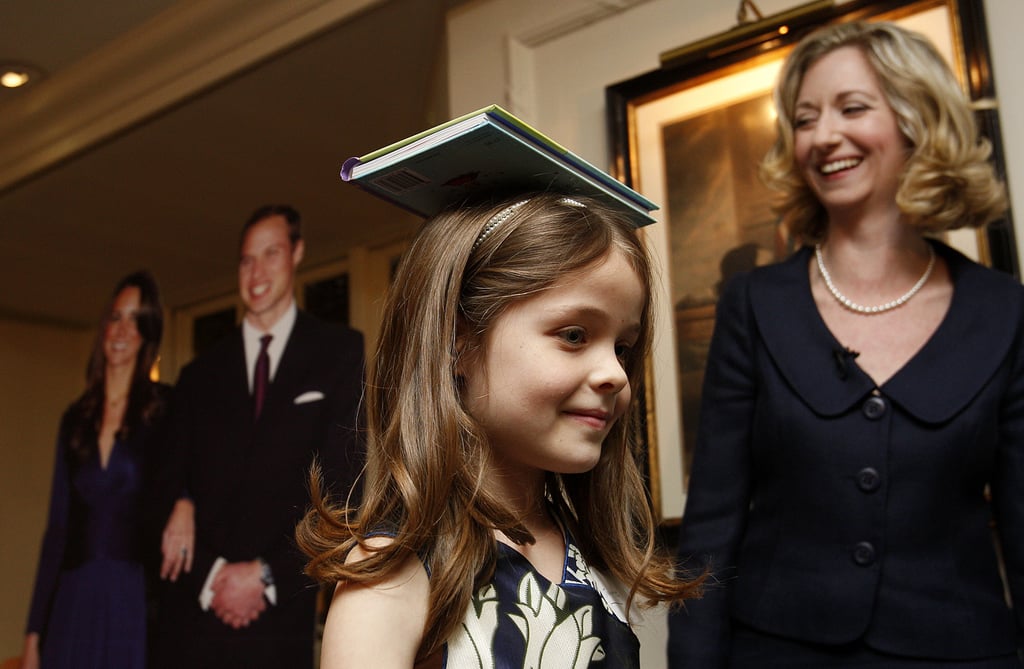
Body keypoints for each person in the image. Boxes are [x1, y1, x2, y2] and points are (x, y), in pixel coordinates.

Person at [667, 20, 1022, 668]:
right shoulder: (754, 303)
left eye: (852, 108)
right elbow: (710, 529)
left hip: (960, 654)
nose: (823, 135)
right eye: (805, 119)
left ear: (919, 120)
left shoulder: (1004, 311)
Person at [296, 192, 703, 668]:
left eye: (623, 348)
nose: (614, 373)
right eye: (574, 335)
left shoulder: (591, 565)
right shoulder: (393, 574)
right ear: (459, 340)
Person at [152, 204, 365, 669]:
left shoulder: (341, 353)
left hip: (282, 616)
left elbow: (345, 488)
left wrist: (268, 576)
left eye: (271, 254)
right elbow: (165, 483)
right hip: (193, 619)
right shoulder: (197, 375)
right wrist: (211, 576)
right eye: (247, 260)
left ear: (298, 253)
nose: (257, 272)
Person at [20, 270, 171, 669]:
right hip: (73, 603)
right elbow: (56, 528)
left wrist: (187, 503)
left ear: (147, 333)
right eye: (116, 317)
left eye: (135, 319)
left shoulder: (165, 410)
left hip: (132, 603)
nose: (122, 329)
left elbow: (186, 479)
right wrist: (34, 632)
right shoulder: (75, 420)